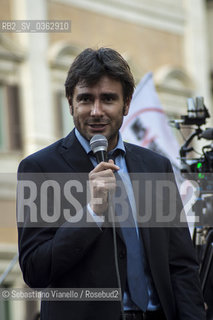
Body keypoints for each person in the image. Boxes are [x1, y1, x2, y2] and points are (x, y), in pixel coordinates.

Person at [17, 47, 206, 320]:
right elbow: (35, 270)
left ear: (126, 103)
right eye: (85, 99)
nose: (96, 111)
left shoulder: (156, 167)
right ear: (70, 102)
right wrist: (92, 213)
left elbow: (181, 266)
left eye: (108, 99)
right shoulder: (40, 169)